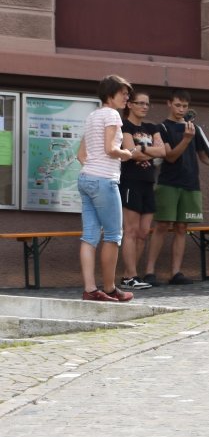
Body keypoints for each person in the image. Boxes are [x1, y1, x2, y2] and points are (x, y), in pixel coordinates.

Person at [143, 89, 209, 285]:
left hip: (191, 183)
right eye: (177, 105)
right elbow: (170, 156)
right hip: (168, 183)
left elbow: (203, 155)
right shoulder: (162, 128)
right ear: (169, 104)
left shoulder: (194, 128)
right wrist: (186, 139)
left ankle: (176, 273)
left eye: (184, 106)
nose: (181, 109)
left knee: (182, 227)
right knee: (162, 225)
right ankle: (149, 272)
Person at [75, 75, 135, 302]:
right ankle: (109, 289)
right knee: (113, 235)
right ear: (110, 94)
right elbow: (111, 149)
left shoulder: (93, 116)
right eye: (123, 93)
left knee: (89, 236)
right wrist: (127, 154)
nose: (127, 98)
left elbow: (81, 155)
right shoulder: (112, 115)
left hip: (86, 178)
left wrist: (94, 166)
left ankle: (90, 289)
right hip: (104, 180)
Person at [117, 90, 166, 290]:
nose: (145, 107)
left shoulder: (152, 127)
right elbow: (131, 153)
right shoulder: (124, 126)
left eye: (147, 104)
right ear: (130, 104)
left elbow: (163, 151)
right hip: (130, 182)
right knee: (131, 230)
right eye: (140, 103)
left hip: (148, 183)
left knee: (143, 232)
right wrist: (146, 152)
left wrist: (142, 150)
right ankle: (131, 276)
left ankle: (130, 275)